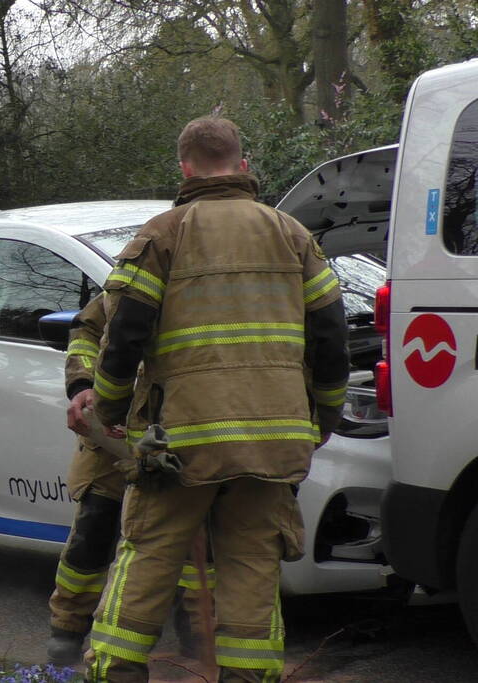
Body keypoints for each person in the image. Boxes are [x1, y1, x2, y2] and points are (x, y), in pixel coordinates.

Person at [85, 116, 350, 682]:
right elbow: (331, 335)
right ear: (244, 165)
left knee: (151, 552)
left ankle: (117, 671)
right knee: (253, 563)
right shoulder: (292, 235)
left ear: (184, 169)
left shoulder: (162, 236)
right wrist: (324, 416)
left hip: (181, 442)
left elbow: (124, 334)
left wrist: (108, 410)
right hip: (273, 440)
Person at [47, 292, 215, 666]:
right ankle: (67, 631)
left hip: (184, 427)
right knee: (95, 527)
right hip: (116, 429)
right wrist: (83, 386)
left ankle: (198, 637)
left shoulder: (213, 278)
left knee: (199, 536)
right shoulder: (139, 266)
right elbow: (86, 330)